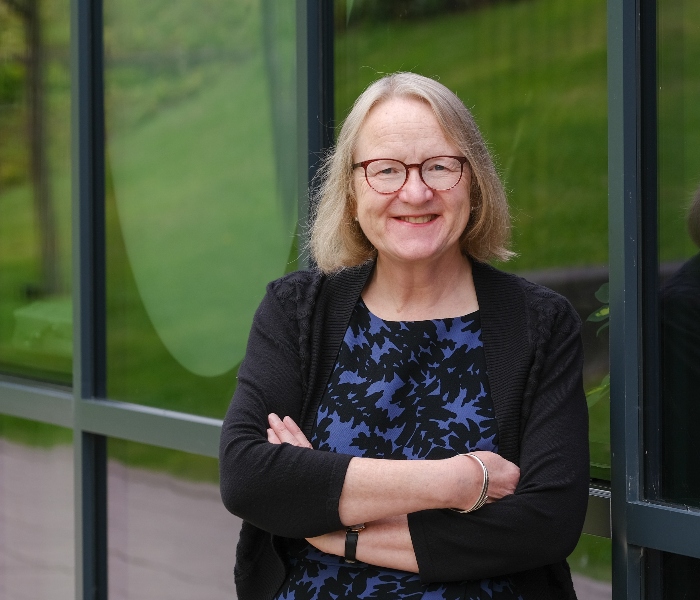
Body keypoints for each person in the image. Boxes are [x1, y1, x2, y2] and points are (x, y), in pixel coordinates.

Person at [220, 72, 589, 600]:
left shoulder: (539, 323)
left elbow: (545, 521)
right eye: (385, 170)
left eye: (440, 166)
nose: (415, 192)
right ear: (351, 191)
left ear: (475, 181)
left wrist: (331, 524)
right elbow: (249, 476)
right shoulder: (297, 311)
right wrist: (457, 482)